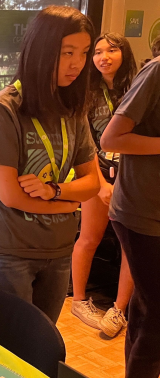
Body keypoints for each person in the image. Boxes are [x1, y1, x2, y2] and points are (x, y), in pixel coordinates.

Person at [0, 6, 100, 323]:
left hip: (58, 250)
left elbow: (93, 183)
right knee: (8, 346)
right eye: (67, 52)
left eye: (84, 52)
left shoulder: (73, 108)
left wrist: (54, 190)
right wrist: (68, 204)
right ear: (41, 50)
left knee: (41, 344)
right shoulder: (5, 108)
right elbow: (11, 196)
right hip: (8, 252)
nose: (77, 63)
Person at [101, 56, 160, 378]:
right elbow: (111, 138)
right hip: (141, 213)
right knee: (157, 312)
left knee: (146, 305)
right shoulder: (157, 71)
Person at [71, 33, 136, 337]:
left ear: (124, 53)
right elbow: (85, 145)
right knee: (88, 237)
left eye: (111, 50)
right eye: (97, 52)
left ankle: (119, 309)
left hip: (132, 175)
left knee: (129, 245)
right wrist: (100, 185)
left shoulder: (138, 86)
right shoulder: (88, 92)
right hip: (96, 170)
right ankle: (79, 300)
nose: (103, 57)